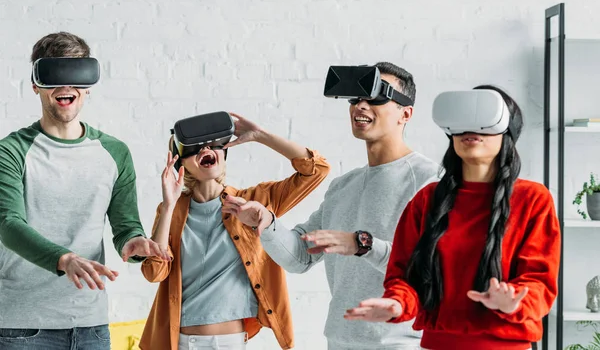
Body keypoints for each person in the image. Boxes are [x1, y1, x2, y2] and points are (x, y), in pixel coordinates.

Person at [229, 62, 440, 350]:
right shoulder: (343, 187)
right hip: (340, 341)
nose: (361, 106)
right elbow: (300, 257)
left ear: (406, 113)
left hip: (401, 343)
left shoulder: (430, 181)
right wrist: (265, 221)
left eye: (377, 97)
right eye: (356, 98)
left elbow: (430, 270)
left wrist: (362, 244)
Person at [344, 86, 561, 350]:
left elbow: (538, 281)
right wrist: (396, 304)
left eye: (484, 121)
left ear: (508, 131)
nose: (471, 129)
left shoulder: (533, 199)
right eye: (462, 123)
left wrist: (513, 301)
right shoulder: (427, 200)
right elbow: (404, 277)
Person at [0, 32, 165, 350]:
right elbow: (7, 224)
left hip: (91, 326)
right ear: (36, 84)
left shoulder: (115, 152)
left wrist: (135, 242)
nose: (65, 87)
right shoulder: (11, 151)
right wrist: (64, 259)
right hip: (22, 328)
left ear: (88, 83)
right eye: (53, 76)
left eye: (75, 74)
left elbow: (125, 226)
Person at [139, 112, 331, 350]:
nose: (206, 149)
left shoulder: (254, 201)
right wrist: (168, 205)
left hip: (231, 342)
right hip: (182, 342)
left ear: (224, 152)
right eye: (195, 147)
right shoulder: (172, 210)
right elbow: (154, 273)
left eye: (213, 145)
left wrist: (261, 136)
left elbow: (317, 169)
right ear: (182, 163)